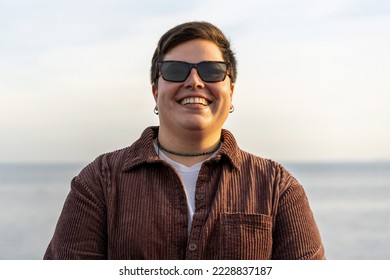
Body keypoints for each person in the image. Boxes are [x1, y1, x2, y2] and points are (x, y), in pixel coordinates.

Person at [44, 21, 325, 260]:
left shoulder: (277, 187)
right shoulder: (99, 182)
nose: (194, 81)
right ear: (156, 91)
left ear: (231, 91)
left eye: (212, 70)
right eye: (176, 70)